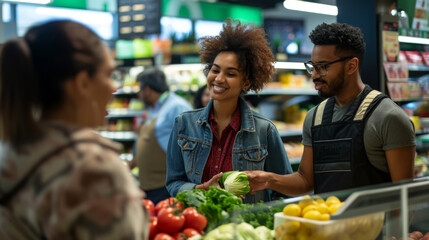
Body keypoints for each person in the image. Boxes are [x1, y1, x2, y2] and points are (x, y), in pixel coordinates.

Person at [0, 20, 148, 239]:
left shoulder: (12, 148)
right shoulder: (94, 170)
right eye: (108, 75)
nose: (113, 87)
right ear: (82, 84)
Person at [246, 22, 416, 196]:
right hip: (326, 222)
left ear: (351, 65)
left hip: (376, 223)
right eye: (312, 66)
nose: (314, 75)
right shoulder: (315, 117)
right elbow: (305, 181)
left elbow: (403, 197)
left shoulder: (388, 117)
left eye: (322, 67)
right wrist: (269, 179)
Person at [165, 18, 293, 204]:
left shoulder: (264, 130)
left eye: (230, 74)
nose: (219, 79)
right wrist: (201, 189)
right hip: (198, 225)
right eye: (215, 70)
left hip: (245, 227)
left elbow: (284, 187)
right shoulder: (183, 124)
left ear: (247, 82)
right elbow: (173, 183)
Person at [128, 67, 192, 204]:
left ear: (147, 90)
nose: (139, 95)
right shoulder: (153, 108)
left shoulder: (177, 107)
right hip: (149, 186)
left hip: (165, 187)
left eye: (140, 90)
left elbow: (191, 144)